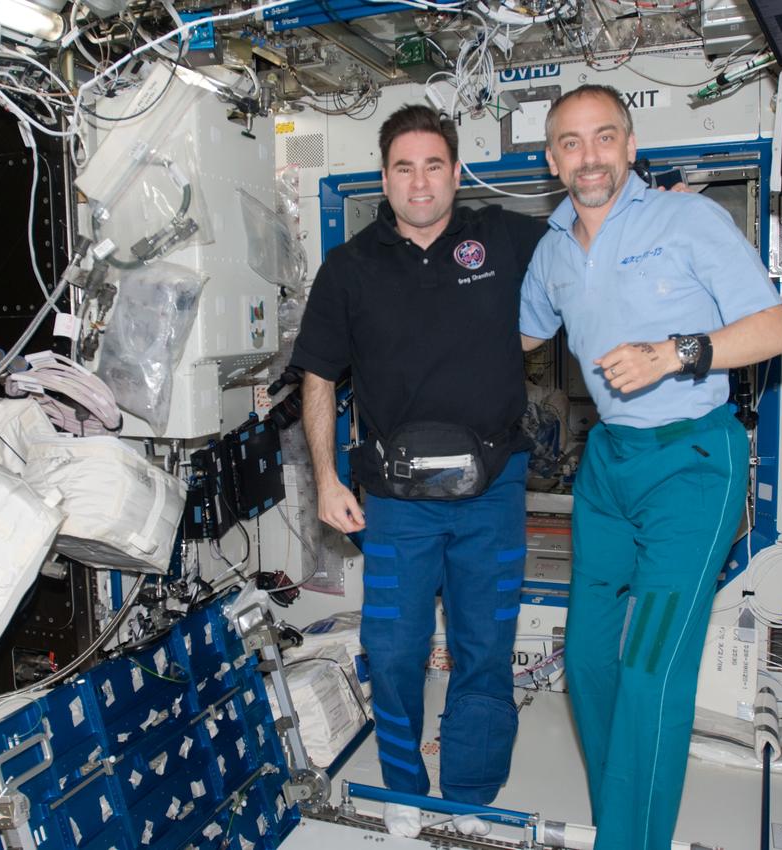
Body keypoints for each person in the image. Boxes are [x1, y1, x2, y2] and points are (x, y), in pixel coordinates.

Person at [518, 84, 782, 849]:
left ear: (630, 146)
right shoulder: (550, 254)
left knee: (647, 670)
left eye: (605, 138)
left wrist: (676, 352)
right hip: (609, 468)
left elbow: (776, 327)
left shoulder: (687, 220)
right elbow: (518, 339)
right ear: (552, 161)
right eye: (571, 144)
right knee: (588, 659)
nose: (590, 157)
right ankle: (626, 819)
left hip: (692, 464)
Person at [290, 104, 549, 838]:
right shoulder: (349, 268)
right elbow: (317, 378)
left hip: (492, 491)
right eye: (404, 167)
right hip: (396, 501)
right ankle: (406, 790)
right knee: (394, 648)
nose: (420, 180)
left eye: (434, 164)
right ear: (384, 178)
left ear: (455, 172)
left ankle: (468, 797)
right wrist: (327, 481)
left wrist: (655, 200)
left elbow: (589, 235)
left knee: (485, 645)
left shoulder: (502, 236)